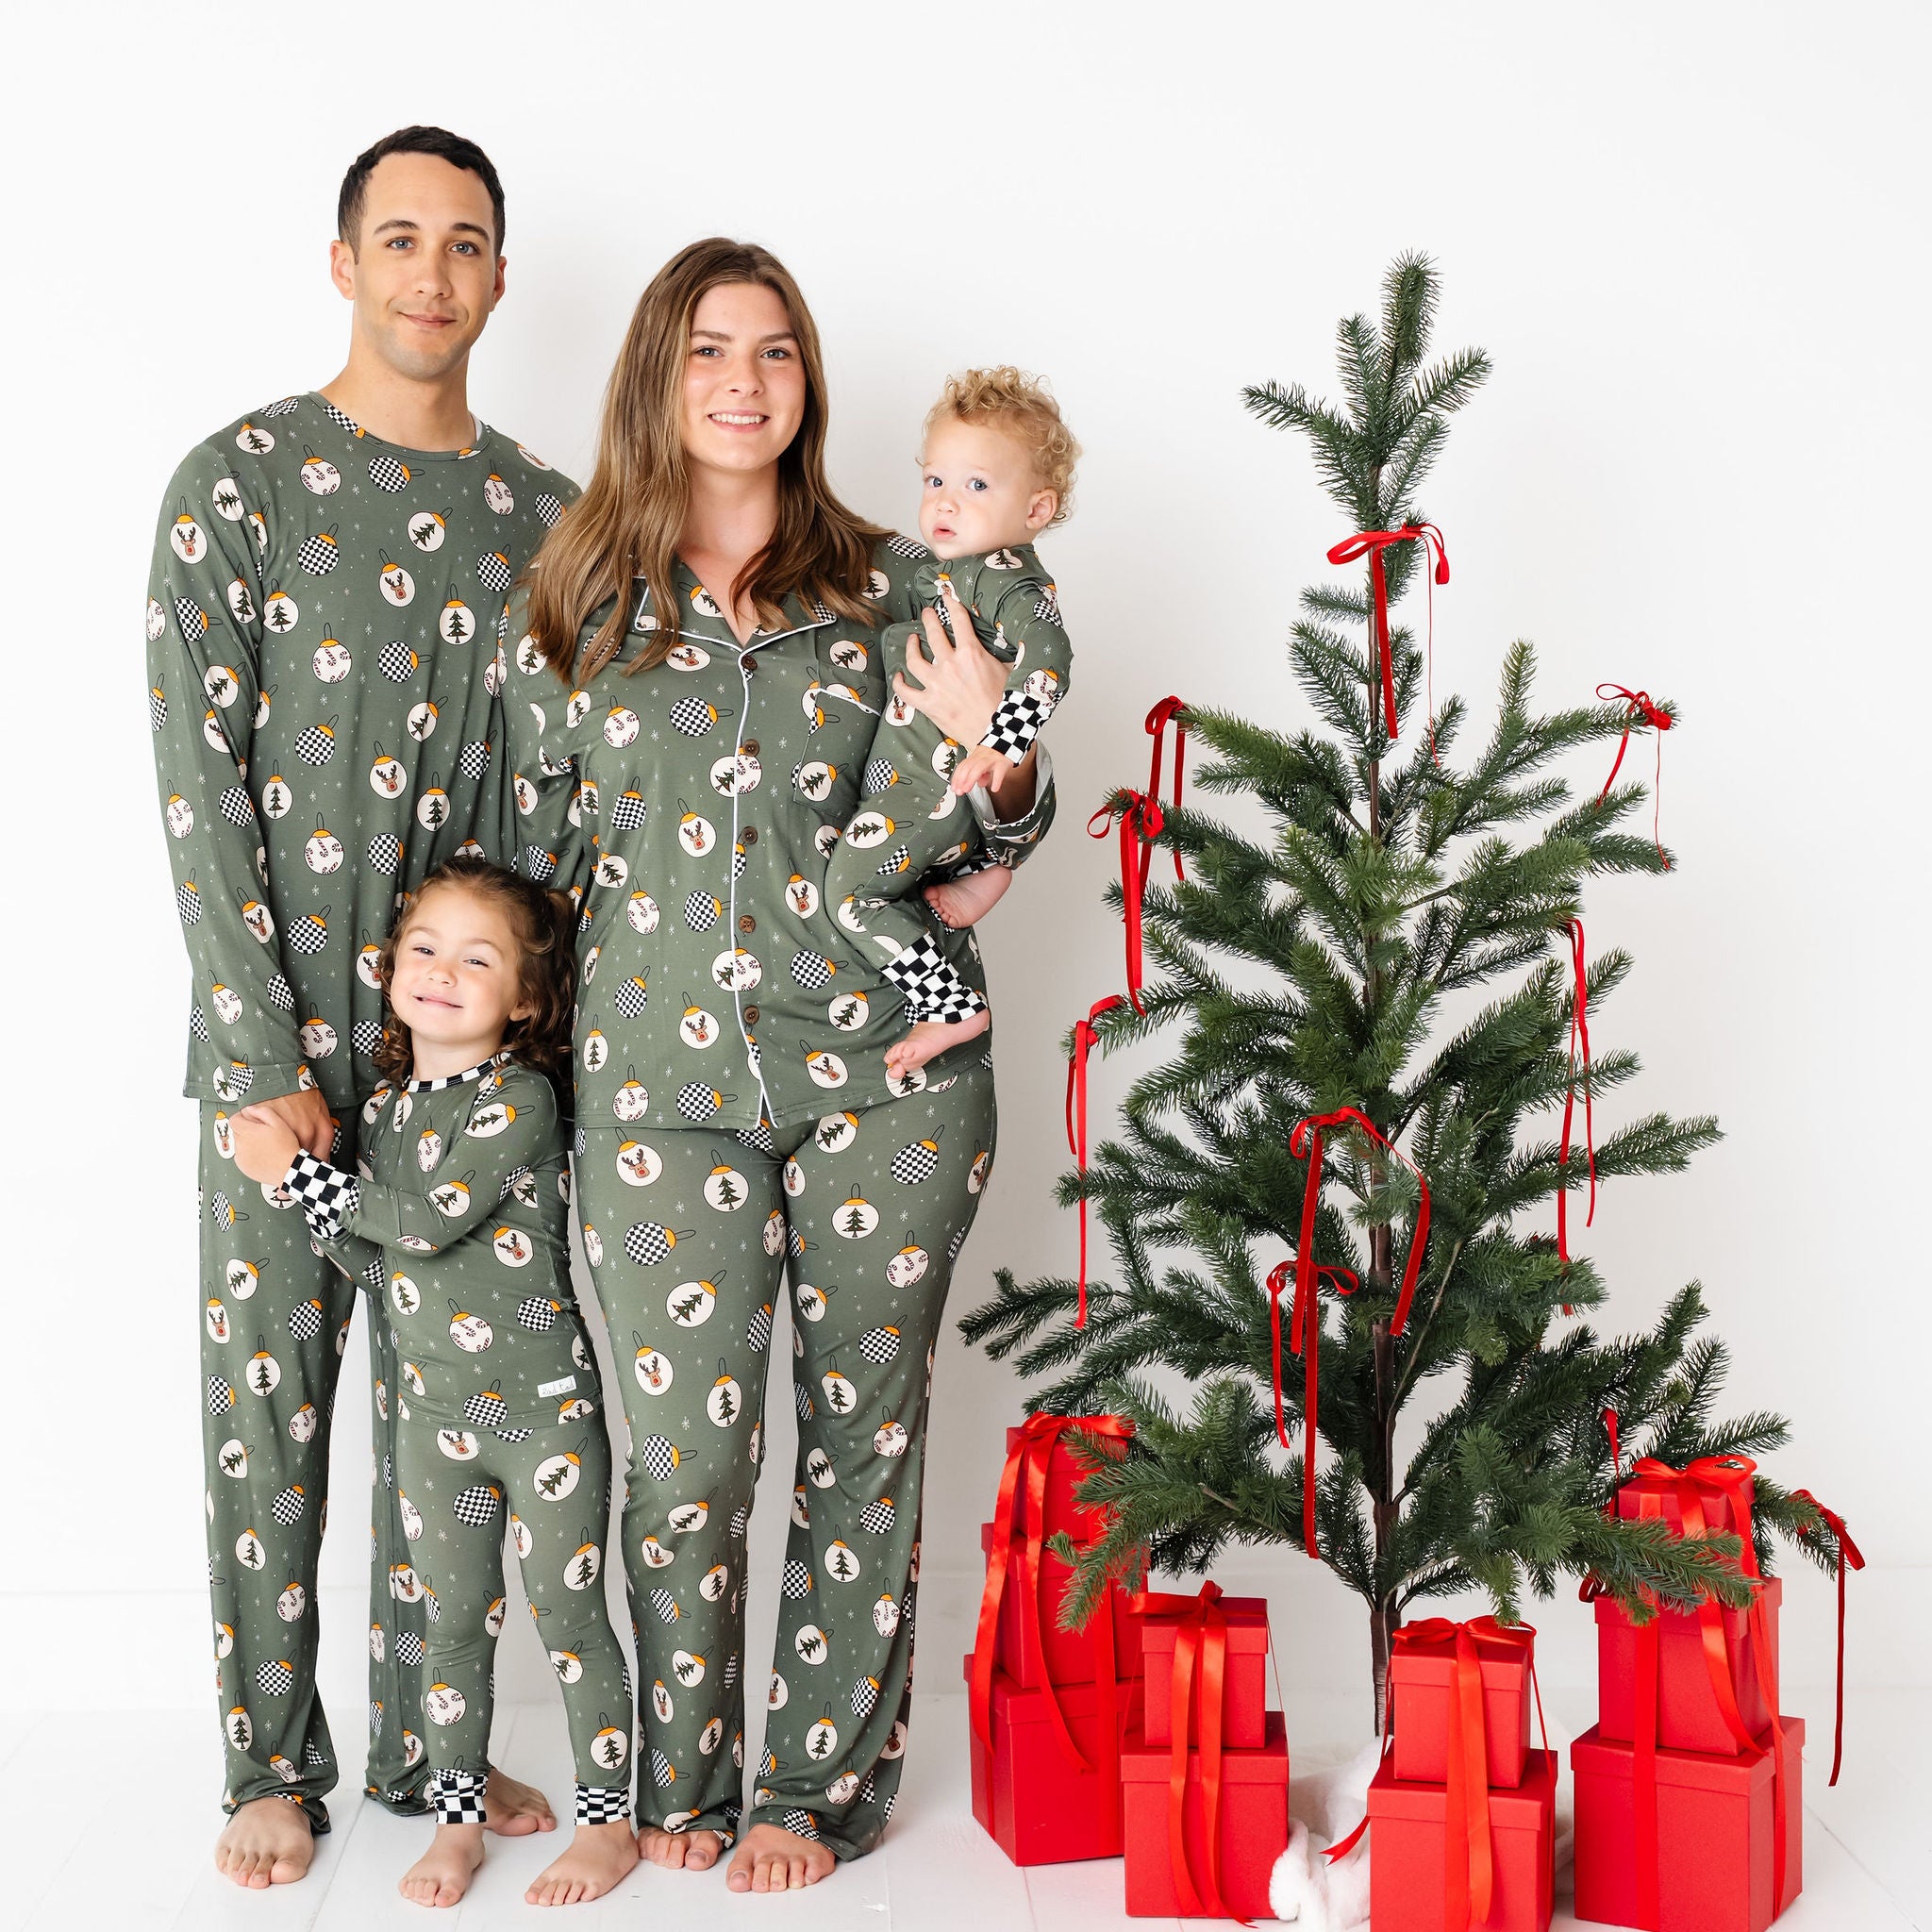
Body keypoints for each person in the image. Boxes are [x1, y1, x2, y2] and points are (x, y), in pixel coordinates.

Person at [502, 237, 1058, 1892]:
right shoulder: (577, 601)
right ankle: (681, 1771)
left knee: (861, 1436)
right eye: (706, 350)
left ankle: (808, 1792)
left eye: (776, 351)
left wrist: (1003, 764)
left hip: (886, 1073)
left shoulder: (909, 579)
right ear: (655, 379)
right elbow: (540, 862)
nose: (743, 379)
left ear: (805, 384)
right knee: (682, 1457)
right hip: (654, 1091)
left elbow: (1001, 804)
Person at [146, 125, 568, 1888]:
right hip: (284, 1045)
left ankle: (427, 1750)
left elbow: (553, 794)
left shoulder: (543, 517)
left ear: (496, 275)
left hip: (465, 1060)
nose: (429, 272)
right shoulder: (234, 480)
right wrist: (254, 1051)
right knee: (270, 1402)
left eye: (463, 242)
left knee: (443, 1411)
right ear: (343, 261)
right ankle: (270, 1753)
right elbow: (197, 772)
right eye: (397, 238)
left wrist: (533, 1056)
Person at [232, 859, 636, 1909]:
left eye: (476, 955)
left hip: (544, 1419)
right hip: (435, 1423)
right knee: (451, 1627)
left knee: (569, 1616)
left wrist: (295, 1171)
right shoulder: (391, 1109)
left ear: (526, 998)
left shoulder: (523, 1098)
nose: (442, 970)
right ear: (389, 965)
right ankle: (456, 1820)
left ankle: (607, 1825)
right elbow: (386, 1264)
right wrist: (321, 1194)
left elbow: (425, 1219)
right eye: (424, 946)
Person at [822, 366, 1077, 1074]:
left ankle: (950, 1005)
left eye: (977, 485)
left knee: (849, 893)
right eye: (936, 481)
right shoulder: (943, 574)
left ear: (1036, 510)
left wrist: (1003, 734)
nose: (946, 501)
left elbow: (1051, 654)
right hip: (932, 789)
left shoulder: (1007, 579)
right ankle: (984, 870)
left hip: (931, 784)